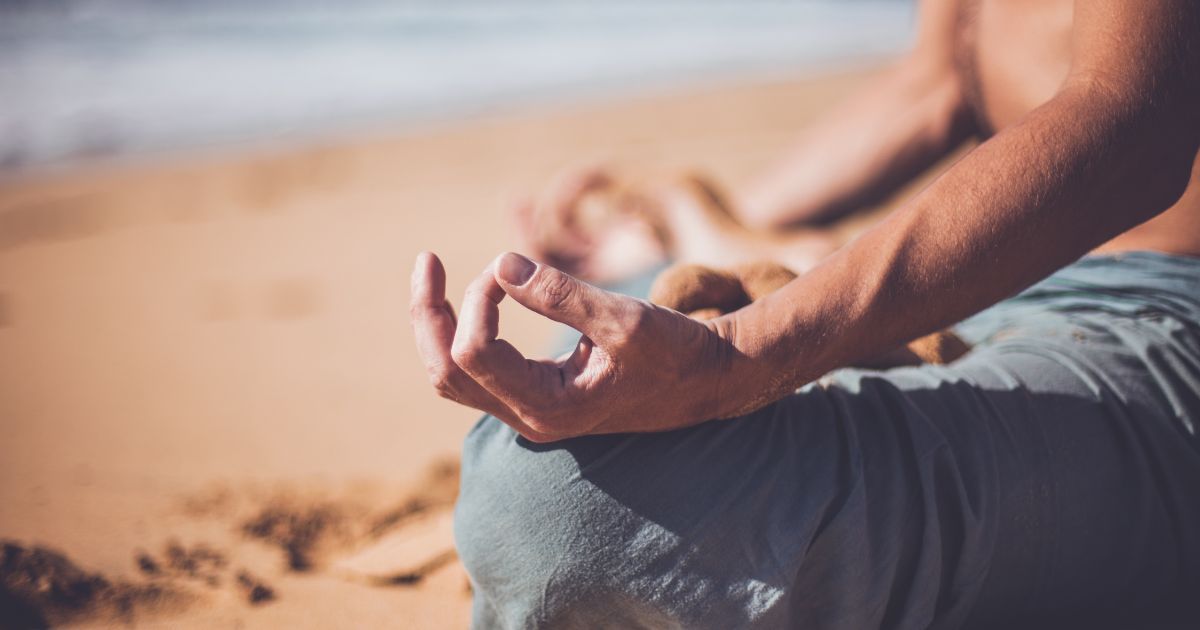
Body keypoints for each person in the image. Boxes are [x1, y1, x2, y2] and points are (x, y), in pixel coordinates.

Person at [410, 0, 1200, 627]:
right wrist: (695, 244)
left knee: (560, 512)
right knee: (590, 406)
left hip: (1149, 317)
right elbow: (939, 81)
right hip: (970, 286)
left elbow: (1131, 122)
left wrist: (737, 361)